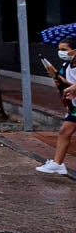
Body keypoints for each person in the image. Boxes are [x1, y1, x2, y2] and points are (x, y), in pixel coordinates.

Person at [38, 37, 76, 175]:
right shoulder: (66, 66)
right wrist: (59, 82)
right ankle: (57, 164)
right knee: (64, 132)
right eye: (59, 50)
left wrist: (73, 88)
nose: (61, 53)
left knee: (65, 131)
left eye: (64, 50)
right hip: (74, 108)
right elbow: (63, 86)